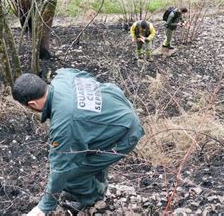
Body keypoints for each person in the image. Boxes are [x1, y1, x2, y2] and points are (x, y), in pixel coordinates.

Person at [12, 68, 145, 215]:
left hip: (126, 132)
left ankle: (95, 197)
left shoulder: (66, 124)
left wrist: (44, 207)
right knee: (83, 153)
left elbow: (61, 169)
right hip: (116, 107)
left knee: (70, 177)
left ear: (33, 104)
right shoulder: (64, 76)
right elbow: (87, 77)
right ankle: (92, 183)